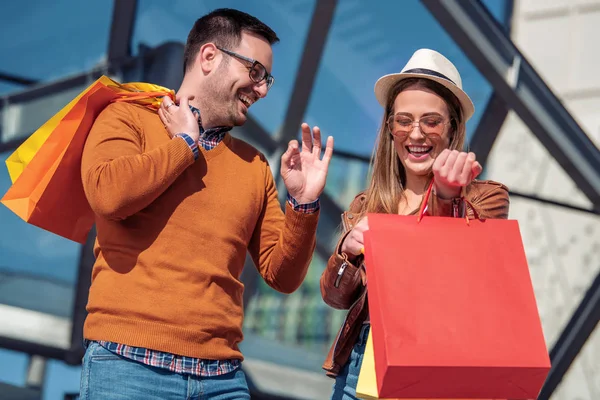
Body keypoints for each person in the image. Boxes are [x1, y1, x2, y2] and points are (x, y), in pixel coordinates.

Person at [79, 8, 333, 399]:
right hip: (127, 369)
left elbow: (282, 277)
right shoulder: (125, 117)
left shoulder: (254, 165)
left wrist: (303, 204)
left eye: (268, 79)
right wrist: (184, 146)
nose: (263, 89)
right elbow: (109, 195)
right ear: (210, 57)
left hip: (222, 379)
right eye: (256, 72)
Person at [320, 48, 510, 399]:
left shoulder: (486, 198)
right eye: (403, 120)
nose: (416, 134)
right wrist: (345, 254)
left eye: (431, 121)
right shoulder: (367, 204)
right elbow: (335, 298)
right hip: (363, 365)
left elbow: (453, 275)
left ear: (453, 128)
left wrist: (446, 198)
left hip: (439, 369)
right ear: (390, 128)